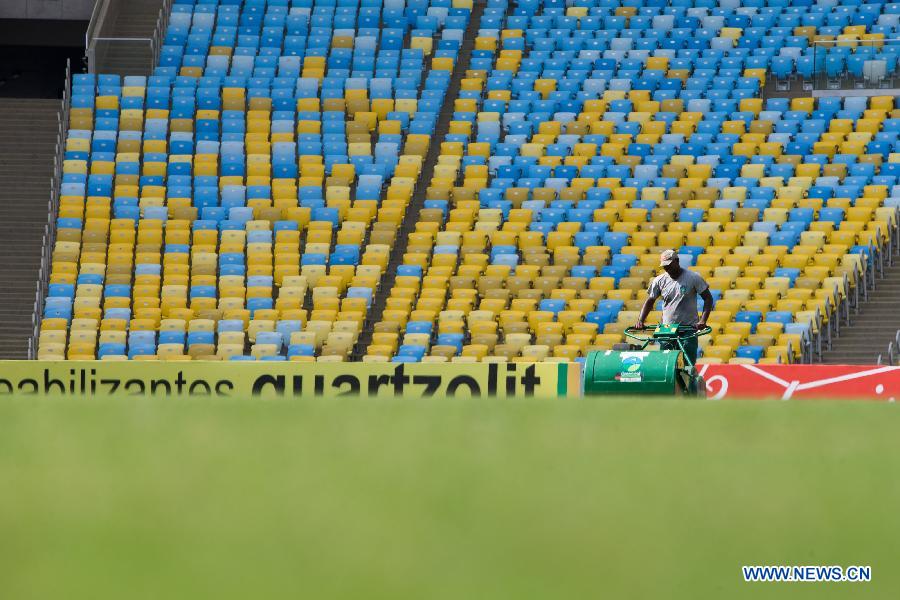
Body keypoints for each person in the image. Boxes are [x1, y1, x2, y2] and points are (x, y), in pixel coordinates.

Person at [635, 249, 715, 363]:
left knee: (687, 364)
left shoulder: (693, 277)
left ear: (677, 261)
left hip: (688, 328)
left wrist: (702, 320)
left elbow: (708, 298)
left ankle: (690, 379)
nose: (667, 269)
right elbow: (650, 301)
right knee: (666, 363)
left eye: (669, 265)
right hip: (667, 329)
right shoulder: (659, 280)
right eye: (665, 267)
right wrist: (640, 320)